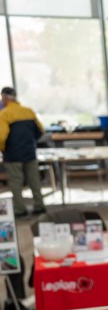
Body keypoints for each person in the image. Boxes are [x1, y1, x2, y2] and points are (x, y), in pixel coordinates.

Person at [0, 86, 45, 218]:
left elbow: (1, 137)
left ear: (5, 98)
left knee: (16, 183)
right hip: (30, 153)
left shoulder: (4, 114)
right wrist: (29, 143)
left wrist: (3, 149)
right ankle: (39, 207)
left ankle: (20, 210)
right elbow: (40, 131)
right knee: (34, 181)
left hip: (13, 155)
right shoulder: (29, 112)